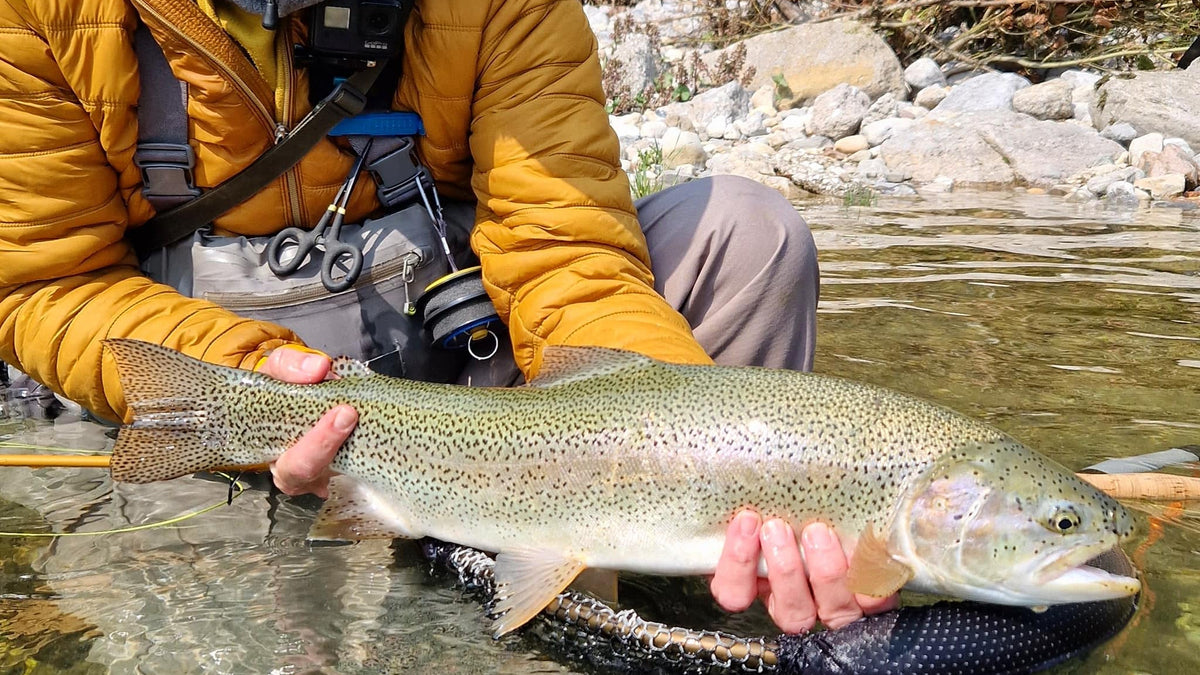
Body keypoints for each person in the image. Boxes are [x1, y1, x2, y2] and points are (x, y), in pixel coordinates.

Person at [0, 0, 895, 634]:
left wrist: (663, 441)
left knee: (747, 233)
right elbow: (47, 280)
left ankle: (698, 567)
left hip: (472, 372)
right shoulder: (43, 13)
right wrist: (242, 375)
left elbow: (567, 251)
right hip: (228, 373)